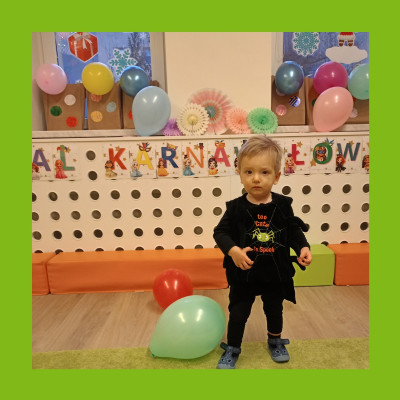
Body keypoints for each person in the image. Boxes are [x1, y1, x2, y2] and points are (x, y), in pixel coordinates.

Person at [213, 135, 312, 369]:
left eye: (264, 172)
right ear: (239, 173)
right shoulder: (235, 208)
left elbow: (293, 229)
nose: (256, 178)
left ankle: (275, 341)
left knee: (274, 310)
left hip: (274, 272)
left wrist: (303, 246)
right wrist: (233, 251)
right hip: (244, 273)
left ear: (276, 176)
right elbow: (220, 232)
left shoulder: (283, 205)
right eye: (249, 172)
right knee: (238, 312)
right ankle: (233, 347)